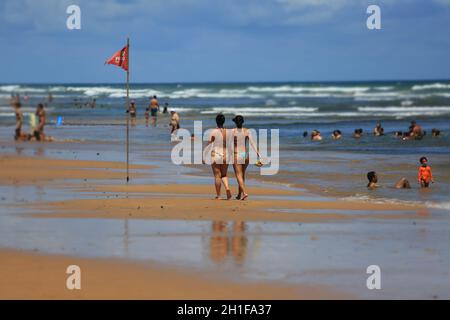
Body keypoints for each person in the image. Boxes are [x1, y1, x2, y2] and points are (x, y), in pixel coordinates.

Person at [231, 115, 260, 200]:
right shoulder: (247, 131)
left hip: (236, 154)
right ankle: (239, 194)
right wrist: (258, 153)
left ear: (235, 122)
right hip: (245, 155)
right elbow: (252, 143)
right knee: (242, 174)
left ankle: (244, 192)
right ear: (243, 122)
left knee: (238, 175)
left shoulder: (232, 131)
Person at [206, 114, 231, 200]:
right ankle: (227, 188)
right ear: (224, 121)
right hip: (226, 155)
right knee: (224, 175)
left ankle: (219, 195)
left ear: (216, 121)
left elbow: (208, 145)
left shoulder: (212, 132)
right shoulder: (228, 132)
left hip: (216, 154)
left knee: (217, 176)